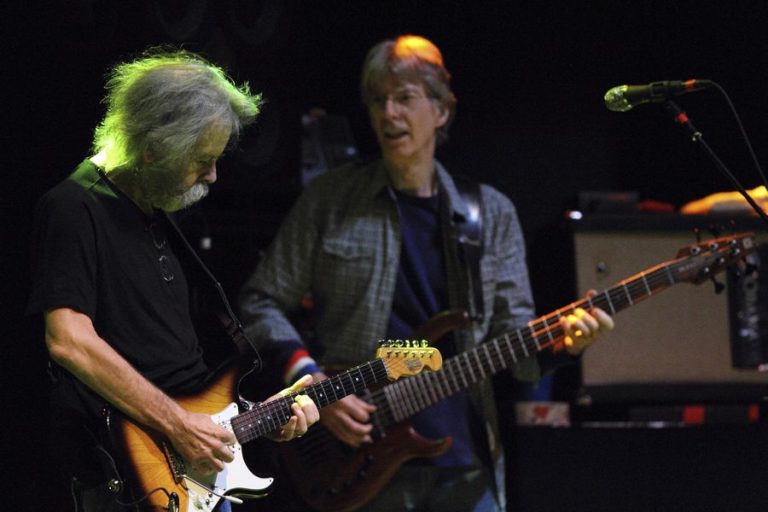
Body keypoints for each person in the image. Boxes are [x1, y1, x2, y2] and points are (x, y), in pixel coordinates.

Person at [238, 35, 614, 512]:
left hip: (465, 466)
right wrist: (314, 383)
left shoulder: (492, 214)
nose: (389, 113)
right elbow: (260, 302)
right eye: (378, 100)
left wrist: (565, 344)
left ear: (441, 110)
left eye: (405, 97)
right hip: (354, 459)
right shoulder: (329, 201)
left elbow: (515, 346)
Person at [26, 48, 320, 511]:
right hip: (132, 480)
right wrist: (177, 425)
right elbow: (69, 341)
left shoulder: (156, 211)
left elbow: (173, 370)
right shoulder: (74, 207)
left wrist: (262, 415)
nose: (213, 175)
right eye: (202, 159)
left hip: (194, 477)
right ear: (153, 148)